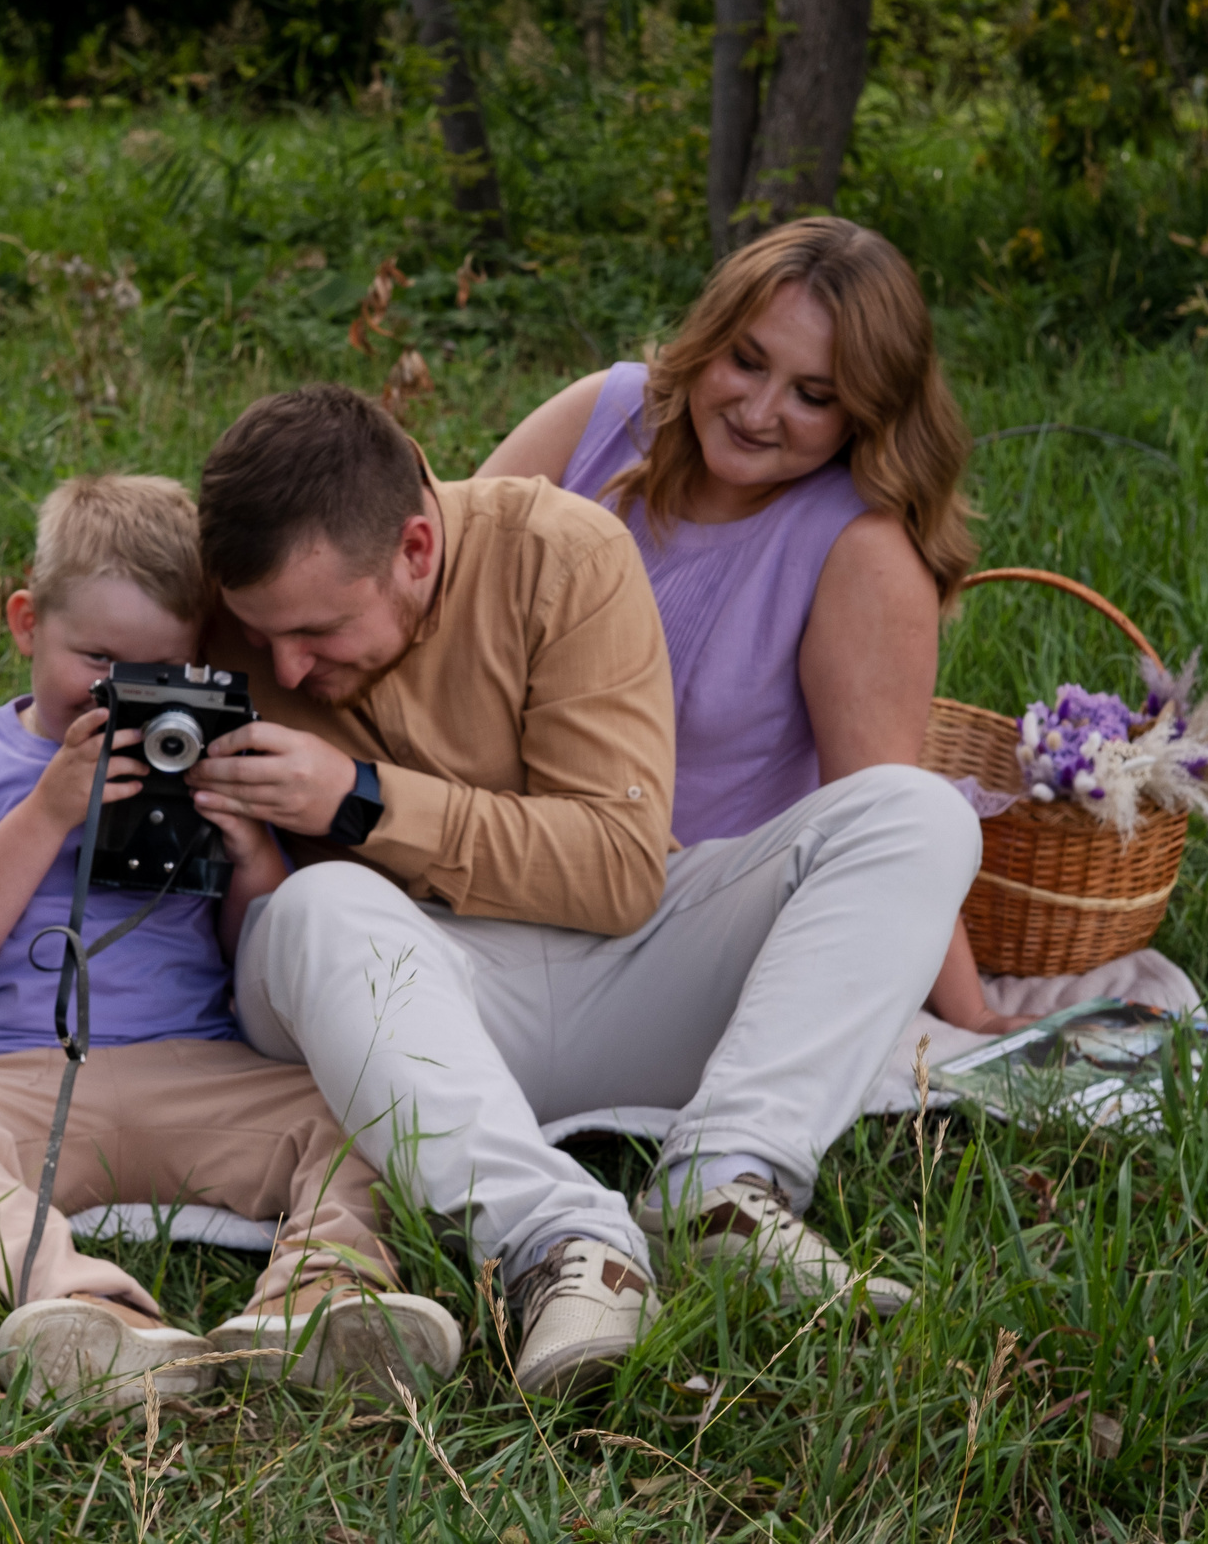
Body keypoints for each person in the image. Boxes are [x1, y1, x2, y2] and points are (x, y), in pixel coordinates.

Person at [184, 386, 980, 1397]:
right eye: (265, 636)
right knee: (315, 906)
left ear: (417, 549)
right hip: (395, 1002)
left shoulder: (561, 552)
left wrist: (360, 800)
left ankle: (722, 1188)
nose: (285, 665)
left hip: (620, 968)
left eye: (317, 631)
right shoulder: (231, 620)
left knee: (911, 813)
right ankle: (563, 1247)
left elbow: (615, 872)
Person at [0, 474, 461, 1409]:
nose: (121, 697)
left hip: (191, 1067)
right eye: (96, 657)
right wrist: (50, 806)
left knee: (369, 1104)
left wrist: (250, 848)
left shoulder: (206, 754)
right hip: (2, 1074)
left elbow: (271, 964)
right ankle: (81, 1310)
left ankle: (322, 1298)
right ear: (24, 624)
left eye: (157, 671)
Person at [477, 216, 1019, 1037]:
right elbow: (432, 578)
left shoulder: (860, 551)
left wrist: (972, 1014)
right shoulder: (610, 411)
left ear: (864, 413)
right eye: (747, 359)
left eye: (814, 394)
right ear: (711, 336)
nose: (759, 410)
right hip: (485, 846)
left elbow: (887, 821)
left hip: (668, 926)